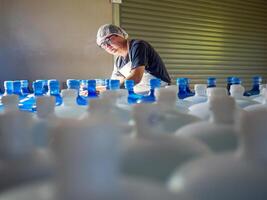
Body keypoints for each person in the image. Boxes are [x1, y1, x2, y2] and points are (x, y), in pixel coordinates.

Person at [96, 24, 171, 94]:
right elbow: (116, 83)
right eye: (103, 44)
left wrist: (109, 91)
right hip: (140, 95)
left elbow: (136, 77)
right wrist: (95, 90)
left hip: (159, 92)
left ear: (120, 35)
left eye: (108, 40)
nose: (107, 46)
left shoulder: (138, 46)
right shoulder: (118, 61)